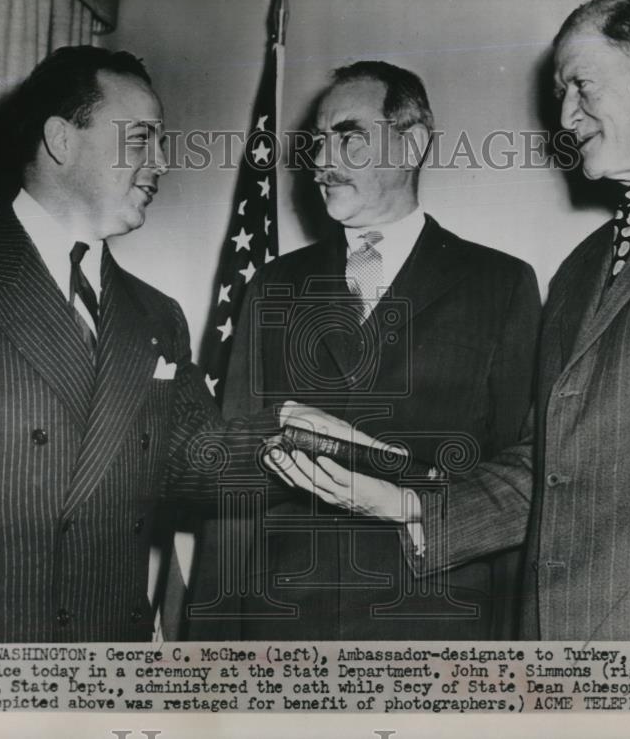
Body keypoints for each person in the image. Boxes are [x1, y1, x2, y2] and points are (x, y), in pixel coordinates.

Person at [271, 0, 630, 641]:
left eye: (580, 86)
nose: (564, 116)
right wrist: (401, 502)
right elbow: (543, 468)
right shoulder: (576, 270)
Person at [0, 46, 382, 643]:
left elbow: (196, 460)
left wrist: (290, 432)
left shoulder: (157, 315)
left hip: (103, 661)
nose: (161, 160)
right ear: (61, 140)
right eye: (142, 139)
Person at [188, 61, 541, 640]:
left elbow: (516, 478)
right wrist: (209, 646)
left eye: (348, 137)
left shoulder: (499, 284)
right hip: (284, 621)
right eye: (318, 142)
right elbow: (236, 476)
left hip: (435, 621)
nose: (323, 162)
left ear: (413, 143)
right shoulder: (274, 285)